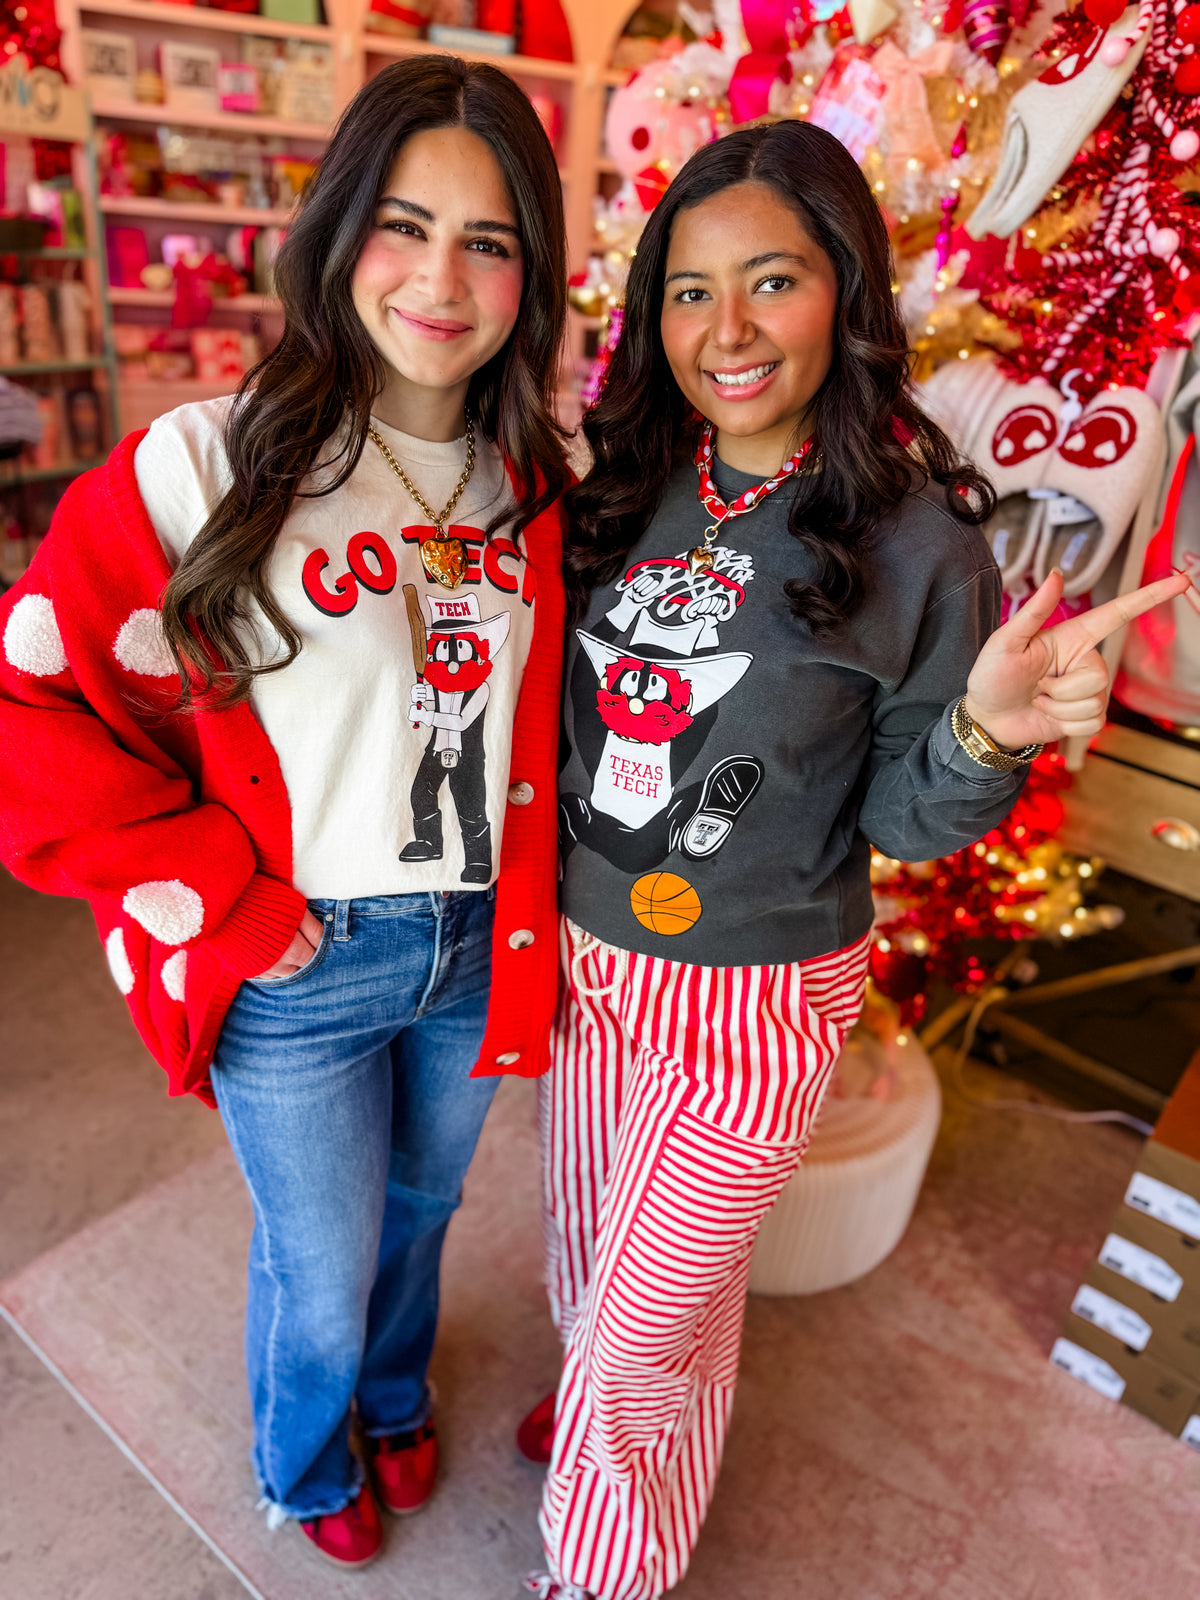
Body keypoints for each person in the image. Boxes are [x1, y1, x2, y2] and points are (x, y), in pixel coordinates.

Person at [519, 121, 1190, 1600]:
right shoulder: (617, 489)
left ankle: (596, 1569)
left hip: (754, 1003)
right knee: (594, 1279)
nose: (727, 329)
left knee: (645, 1323)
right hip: (586, 967)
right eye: (689, 292)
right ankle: (598, 1442)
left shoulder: (918, 544)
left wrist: (990, 731)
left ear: (846, 292)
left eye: (773, 280)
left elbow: (901, 819)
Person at [0, 56, 568, 1570]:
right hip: (298, 960)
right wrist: (223, 897)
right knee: (319, 1264)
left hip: (470, 946)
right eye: (403, 223)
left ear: (534, 273)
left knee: (426, 1215)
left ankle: (392, 1397)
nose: (443, 277)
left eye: (491, 238)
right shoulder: (205, 461)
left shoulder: (537, 483)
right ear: (334, 234)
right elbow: (33, 717)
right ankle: (304, 1460)